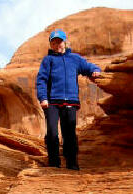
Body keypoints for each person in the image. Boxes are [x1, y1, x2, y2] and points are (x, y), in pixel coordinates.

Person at [36, 29, 101, 170]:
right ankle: (53, 162)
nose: (57, 44)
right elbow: (41, 80)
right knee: (52, 132)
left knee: (69, 133)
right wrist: (43, 98)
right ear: (51, 45)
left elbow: (88, 67)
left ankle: (72, 163)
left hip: (70, 101)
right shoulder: (48, 60)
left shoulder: (75, 59)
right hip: (52, 101)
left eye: (59, 41)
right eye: (54, 42)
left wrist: (95, 70)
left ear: (65, 42)